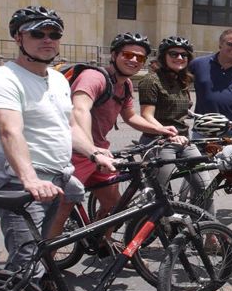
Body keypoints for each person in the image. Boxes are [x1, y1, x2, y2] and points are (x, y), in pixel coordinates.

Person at [0, 6, 88, 291]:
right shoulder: (3, 79)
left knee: (40, 249)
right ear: (18, 37)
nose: (47, 40)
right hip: (22, 181)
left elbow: (68, 127)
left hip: (58, 177)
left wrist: (95, 153)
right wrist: (29, 179)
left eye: (53, 34)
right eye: (38, 33)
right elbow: (10, 131)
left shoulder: (57, 78)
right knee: (26, 262)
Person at [47, 33, 181, 250]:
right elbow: (80, 109)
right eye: (128, 54)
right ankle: (44, 272)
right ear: (114, 55)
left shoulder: (126, 84)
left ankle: (103, 241)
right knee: (62, 211)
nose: (134, 60)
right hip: (74, 151)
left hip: (100, 152)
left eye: (140, 58)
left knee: (114, 204)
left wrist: (160, 129)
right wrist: (92, 150)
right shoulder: (94, 78)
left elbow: (130, 117)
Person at [137, 36, 212, 207]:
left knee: (205, 187)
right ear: (163, 56)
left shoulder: (182, 80)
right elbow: (146, 115)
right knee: (159, 194)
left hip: (183, 140)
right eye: (174, 54)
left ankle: (209, 232)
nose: (179, 58)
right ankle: (146, 228)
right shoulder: (151, 81)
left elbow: (181, 109)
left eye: (183, 55)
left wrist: (206, 119)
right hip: (158, 141)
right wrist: (166, 132)